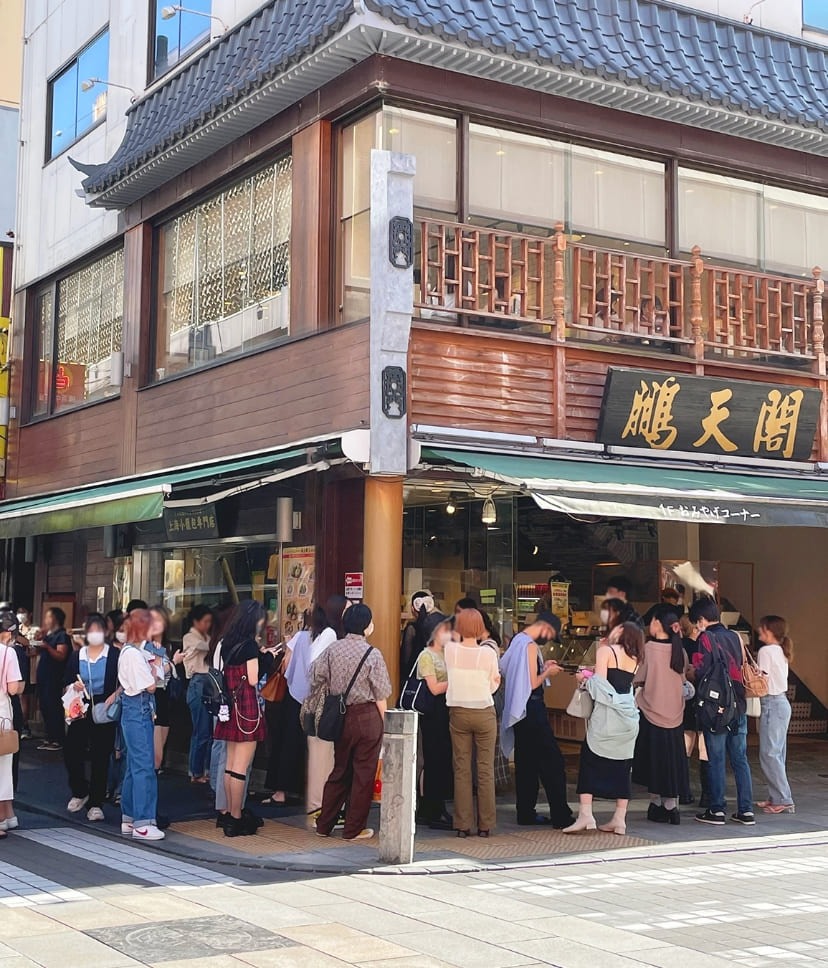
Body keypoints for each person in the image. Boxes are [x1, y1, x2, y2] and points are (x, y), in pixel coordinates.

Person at [314, 604, 391, 841]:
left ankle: (324, 824)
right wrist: (385, 723)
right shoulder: (373, 654)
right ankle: (353, 828)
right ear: (367, 626)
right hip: (367, 717)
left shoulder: (332, 649)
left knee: (340, 770)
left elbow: (317, 676)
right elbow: (381, 694)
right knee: (363, 774)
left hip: (340, 716)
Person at [565, 622, 642, 834]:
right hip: (628, 717)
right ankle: (619, 819)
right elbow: (619, 685)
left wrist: (583, 679)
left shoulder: (606, 651)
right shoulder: (637, 656)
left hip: (606, 719)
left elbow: (600, 687)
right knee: (623, 767)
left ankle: (586, 815)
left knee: (589, 761)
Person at [500, 612, 574, 828]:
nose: (549, 639)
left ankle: (525, 812)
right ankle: (561, 814)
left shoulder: (517, 641)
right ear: (544, 627)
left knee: (527, 764)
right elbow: (532, 683)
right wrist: (548, 672)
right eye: (550, 635)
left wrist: (542, 666)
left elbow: (503, 667)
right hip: (532, 708)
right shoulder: (530, 646)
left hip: (519, 711)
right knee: (553, 762)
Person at [688, 598, 755, 827]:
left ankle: (716, 809)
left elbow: (702, 671)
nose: (697, 627)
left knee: (716, 759)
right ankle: (746, 810)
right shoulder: (736, 636)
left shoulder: (706, 637)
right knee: (740, 759)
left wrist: (690, 671)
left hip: (716, 709)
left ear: (701, 619)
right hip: (738, 705)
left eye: (696, 623)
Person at [214, 600, 273, 838]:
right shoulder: (249, 646)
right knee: (241, 767)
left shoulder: (227, 642)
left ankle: (230, 813)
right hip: (246, 708)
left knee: (230, 765)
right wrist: (267, 658)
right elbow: (252, 679)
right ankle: (236, 819)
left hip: (229, 708)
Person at [632, 605, 690, 825]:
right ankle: (671, 806)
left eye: (653, 621)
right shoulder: (679, 650)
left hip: (651, 712)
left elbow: (638, 678)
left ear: (658, 624)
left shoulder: (649, 648)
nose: (651, 624)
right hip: (676, 714)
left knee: (654, 764)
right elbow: (684, 677)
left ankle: (657, 804)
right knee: (672, 763)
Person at [445, 608, 501, 838]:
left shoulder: (450, 650)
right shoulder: (488, 653)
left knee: (462, 769)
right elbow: (495, 680)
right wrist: (484, 691)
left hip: (458, 711)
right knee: (485, 770)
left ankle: (462, 825)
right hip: (484, 711)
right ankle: (485, 825)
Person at [62, 614, 120, 822]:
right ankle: (79, 791)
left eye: (98, 629)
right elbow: (67, 680)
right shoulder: (77, 656)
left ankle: (96, 803)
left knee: (101, 756)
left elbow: (122, 681)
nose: (94, 634)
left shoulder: (114, 654)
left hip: (104, 708)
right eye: (91, 629)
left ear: (105, 632)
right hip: (81, 708)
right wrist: (73, 686)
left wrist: (116, 695)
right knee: (71, 751)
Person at [118, 609, 164, 842]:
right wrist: (157, 669)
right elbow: (151, 686)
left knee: (134, 765)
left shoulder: (130, 652)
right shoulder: (134, 655)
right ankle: (143, 823)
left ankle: (129, 818)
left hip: (133, 709)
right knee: (144, 766)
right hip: (139, 709)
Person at [304, 596, 350, 818]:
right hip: (324, 704)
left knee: (321, 757)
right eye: (347, 609)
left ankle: (321, 808)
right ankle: (319, 810)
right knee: (323, 758)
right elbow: (314, 668)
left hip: (316, 704)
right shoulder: (331, 635)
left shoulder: (322, 633)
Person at [415, 611, 454, 830]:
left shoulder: (446, 653)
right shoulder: (426, 656)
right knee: (434, 759)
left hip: (444, 710)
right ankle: (432, 809)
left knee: (441, 760)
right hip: (432, 713)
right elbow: (433, 687)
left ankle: (434, 809)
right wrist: (455, 679)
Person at [262, 622, 306, 809]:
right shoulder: (330, 636)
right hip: (314, 698)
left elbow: (286, 665)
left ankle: (280, 792)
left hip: (293, 695)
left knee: (285, 742)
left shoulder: (300, 637)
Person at [756, 615, 794, 814]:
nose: (758, 631)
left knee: (769, 753)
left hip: (771, 703)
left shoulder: (766, 651)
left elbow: (762, 679)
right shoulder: (780, 650)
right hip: (781, 702)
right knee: (777, 753)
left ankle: (782, 797)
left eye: (762, 628)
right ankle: (776, 795)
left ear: (768, 630)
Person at [171, 604, 213, 783]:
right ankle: (195, 772)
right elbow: (205, 647)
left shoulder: (208, 637)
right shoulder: (189, 637)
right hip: (197, 683)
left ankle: (207, 770)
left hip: (210, 682)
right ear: (196, 621)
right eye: (205, 621)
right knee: (201, 731)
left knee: (209, 731)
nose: (208, 624)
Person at [679, 615, 708, 807]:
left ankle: (683, 792)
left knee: (685, 748)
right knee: (705, 749)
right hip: (705, 699)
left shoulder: (680, 647)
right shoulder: (705, 646)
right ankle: (707, 794)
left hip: (687, 700)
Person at [0, 610, 24, 836]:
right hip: (1, 714)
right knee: (3, 767)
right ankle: (2, 817)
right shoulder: (8, 654)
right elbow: (13, 688)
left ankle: (8, 815)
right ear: (8, 633)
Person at [35, 607, 70, 751]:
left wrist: (47, 647)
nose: (46, 620)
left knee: (53, 707)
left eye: (48, 617)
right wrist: (38, 639)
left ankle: (57, 738)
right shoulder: (48, 635)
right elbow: (34, 652)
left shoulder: (61, 635)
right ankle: (49, 737)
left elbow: (61, 655)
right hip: (43, 676)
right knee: (44, 706)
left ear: (55, 619)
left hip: (54, 677)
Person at [146, 606, 174, 772]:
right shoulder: (145, 646)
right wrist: (172, 664)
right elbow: (151, 677)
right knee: (154, 757)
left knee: (159, 755)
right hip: (151, 696)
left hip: (165, 696)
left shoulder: (167, 645)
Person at [400, 591, 436, 691]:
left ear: (412, 608)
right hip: (433, 678)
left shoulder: (412, 629)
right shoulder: (436, 627)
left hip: (414, 680)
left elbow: (406, 659)